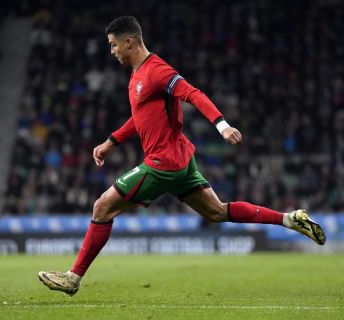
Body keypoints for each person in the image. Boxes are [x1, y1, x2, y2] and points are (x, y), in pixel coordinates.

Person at [37, 16, 326, 296]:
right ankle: (290, 219)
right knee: (216, 211)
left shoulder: (157, 70)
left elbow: (193, 93)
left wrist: (222, 125)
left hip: (164, 162)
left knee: (102, 208)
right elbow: (141, 118)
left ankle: (73, 278)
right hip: (180, 160)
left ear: (129, 42)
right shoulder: (137, 75)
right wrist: (112, 141)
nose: (112, 51)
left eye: (113, 45)